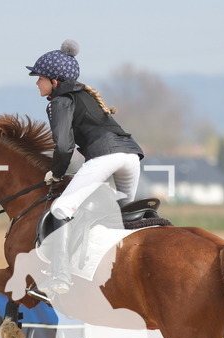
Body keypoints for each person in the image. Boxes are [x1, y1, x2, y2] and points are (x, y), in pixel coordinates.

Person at [27, 39, 144, 295]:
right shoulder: (84, 95)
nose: (36, 82)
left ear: (54, 82)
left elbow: (64, 147)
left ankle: (59, 278)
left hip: (105, 157)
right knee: (118, 215)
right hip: (131, 157)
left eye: (39, 78)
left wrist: (55, 173)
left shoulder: (60, 101)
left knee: (60, 209)